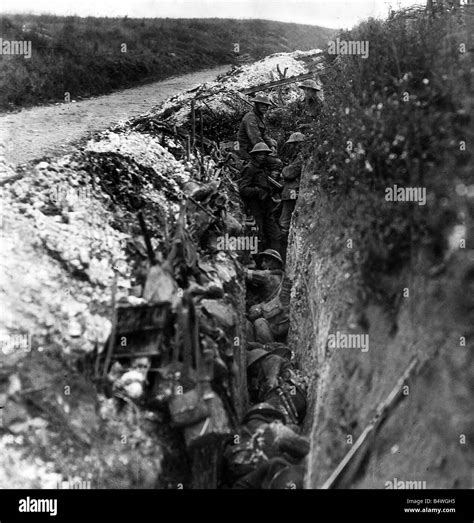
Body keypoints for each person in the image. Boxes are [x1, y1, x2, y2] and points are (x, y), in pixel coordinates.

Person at [238, 142, 282, 253]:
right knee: (258, 237)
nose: (263, 157)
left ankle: (276, 261)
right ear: (255, 155)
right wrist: (259, 192)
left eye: (265, 154)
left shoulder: (262, 168)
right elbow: (243, 189)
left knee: (276, 235)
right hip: (255, 208)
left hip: (266, 207)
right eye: (260, 154)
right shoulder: (249, 169)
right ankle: (260, 263)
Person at [237, 94, 282, 171]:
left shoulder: (259, 117)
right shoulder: (250, 117)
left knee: (274, 143)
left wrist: (271, 145)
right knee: (277, 163)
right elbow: (255, 138)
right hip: (247, 150)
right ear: (256, 105)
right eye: (262, 105)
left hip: (254, 148)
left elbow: (263, 135)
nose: (265, 107)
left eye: (266, 105)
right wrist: (267, 151)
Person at [280, 133, 305, 237]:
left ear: (297, 144)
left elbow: (289, 173)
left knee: (285, 222)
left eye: (291, 145)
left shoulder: (301, 157)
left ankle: (282, 248)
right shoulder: (295, 158)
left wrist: (284, 170)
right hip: (291, 192)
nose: (290, 147)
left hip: (292, 192)